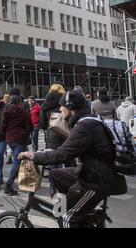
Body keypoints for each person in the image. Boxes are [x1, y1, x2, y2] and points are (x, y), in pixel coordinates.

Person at [19, 90, 127, 228]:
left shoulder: (85, 126)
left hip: (98, 180)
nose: (60, 109)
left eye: (62, 106)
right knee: (56, 174)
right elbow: (67, 150)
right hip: (95, 171)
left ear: (70, 107)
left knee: (66, 218)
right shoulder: (89, 121)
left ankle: (72, 213)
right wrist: (51, 152)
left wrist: (34, 156)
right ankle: (77, 209)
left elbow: (61, 155)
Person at [0, 94, 32, 195]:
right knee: (17, 162)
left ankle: (19, 181)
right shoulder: (23, 112)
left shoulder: (6, 112)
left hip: (10, 138)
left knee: (18, 160)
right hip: (20, 138)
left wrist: (6, 134)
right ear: (19, 102)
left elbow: (2, 125)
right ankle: (8, 185)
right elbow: (29, 126)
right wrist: (26, 133)